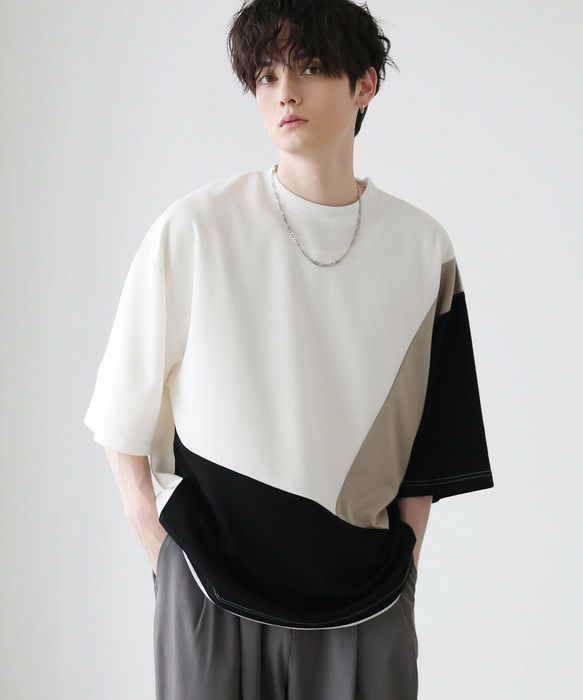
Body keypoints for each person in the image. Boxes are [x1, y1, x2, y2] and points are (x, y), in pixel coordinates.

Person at [83, 1, 494, 698]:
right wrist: (162, 551)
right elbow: (122, 411)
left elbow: (433, 444)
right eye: (267, 75)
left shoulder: (422, 249)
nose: (285, 93)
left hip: (366, 597)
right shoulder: (195, 230)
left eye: (309, 68)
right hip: (210, 587)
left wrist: (404, 570)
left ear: (365, 84)